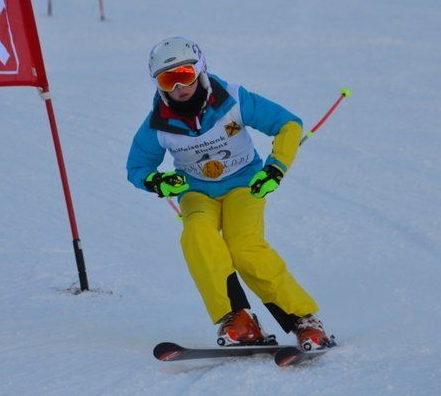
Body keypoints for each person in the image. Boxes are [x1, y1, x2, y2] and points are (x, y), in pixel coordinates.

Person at [127, 36, 334, 350]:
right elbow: (137, 166)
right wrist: (157, 181)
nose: (179, 87)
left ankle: (303, 320)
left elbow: (288, 124)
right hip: (196, 192)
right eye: (167, 80)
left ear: (201, 70)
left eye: (184, 74)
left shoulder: (234, 100)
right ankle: (238, 319)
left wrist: (275, 168)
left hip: (243, 184)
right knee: (197, 236)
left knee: (243, 246)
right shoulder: (158, 124)